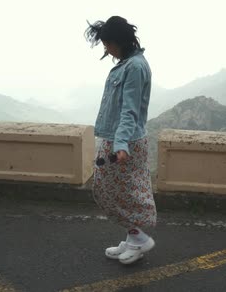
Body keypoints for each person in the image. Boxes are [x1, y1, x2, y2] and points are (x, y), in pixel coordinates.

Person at [84, 16, 157, 265]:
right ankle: (132, 237)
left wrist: (121, 144)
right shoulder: (129, 64)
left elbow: (130, 110)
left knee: (107, 191)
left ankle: (139, 238)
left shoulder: (134, 67)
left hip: (123, 141)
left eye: (108, 43)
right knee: (121, 193)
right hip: (117, 138)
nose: (106, 48)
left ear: (120, 41)